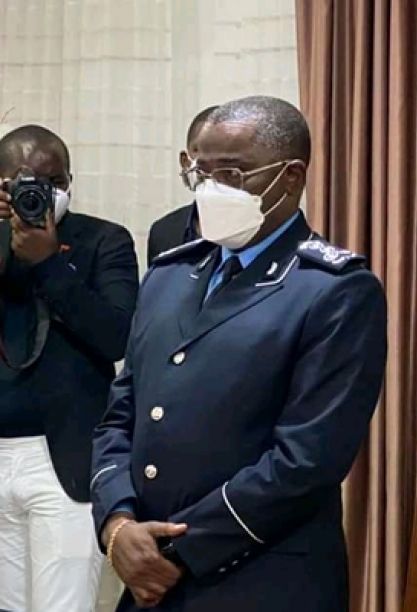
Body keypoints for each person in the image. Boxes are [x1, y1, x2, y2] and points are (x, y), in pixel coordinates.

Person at [91, 95, 387, 611]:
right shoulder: (167, 277)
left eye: (230, 173)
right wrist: (117, 524)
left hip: (262, 579)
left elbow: (305, 461)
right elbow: (121, 416)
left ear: (290, 177)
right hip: (147, 579)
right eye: (199, 172)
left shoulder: (334, 289)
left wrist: (175, 550)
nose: (209, 189)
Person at [0, 125, 139, 612]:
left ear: (70, 182)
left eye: (55, 182)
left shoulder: (104, 240)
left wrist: (49, 264)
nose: (43, 193)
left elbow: (117, 336)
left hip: (65, 459)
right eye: (25, 183)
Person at [146, 105, 218, 264]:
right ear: (185, 162)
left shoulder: (259, 228)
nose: (217, 168)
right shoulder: (164, 231)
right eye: (207, 153)